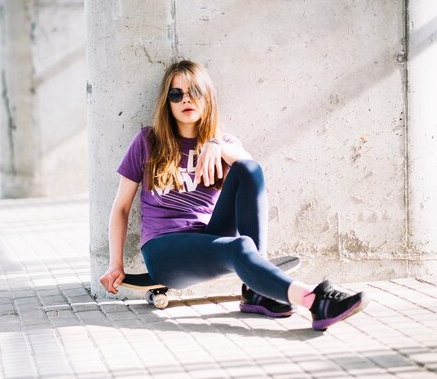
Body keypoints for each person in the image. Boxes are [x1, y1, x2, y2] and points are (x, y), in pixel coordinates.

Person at [99, 59, 369, 331]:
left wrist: (215, 144)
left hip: (209, 236)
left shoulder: (225, 143)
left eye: (193, 91)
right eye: (176, 94)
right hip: (164, 249)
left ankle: (257, 291)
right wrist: (115, 263)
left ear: (207, 96)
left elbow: (253, 172)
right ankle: (314, 300)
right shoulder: (148, 141)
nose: (185, 99)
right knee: (239, 246)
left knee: (248, 169)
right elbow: (121, 208)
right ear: (166, 102)